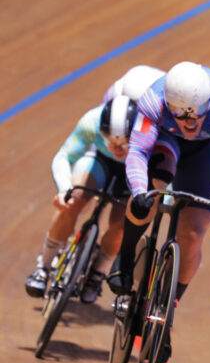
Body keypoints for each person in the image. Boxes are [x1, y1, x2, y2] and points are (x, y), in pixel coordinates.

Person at [106, 61, 210, 363]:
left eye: (197, 113)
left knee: (195, 233)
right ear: (168, 105)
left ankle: (166, 309)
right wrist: (140, 191)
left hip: (204, 153)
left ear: (209, 105)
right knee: (153, 190)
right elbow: (138, 152)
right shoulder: (152, 101)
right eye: (182, 113)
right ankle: (126, 255)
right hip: (165, 140)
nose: (190, 120)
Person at [24, 95, 139, 303]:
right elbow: (64, 157)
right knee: (74, 200)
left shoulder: (149, 133)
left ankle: (97, 274)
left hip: (133, 170)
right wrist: (64, 190)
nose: (117, 149)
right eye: (110, 140)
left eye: (124, 143)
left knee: (122, 224)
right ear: (102, 130)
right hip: (97, 161)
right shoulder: (91, 122)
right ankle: (44, 266)